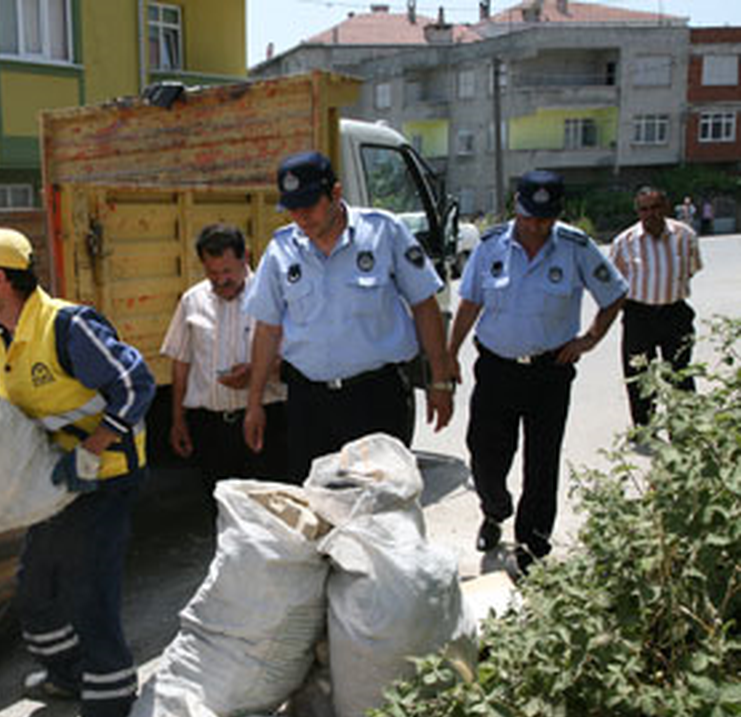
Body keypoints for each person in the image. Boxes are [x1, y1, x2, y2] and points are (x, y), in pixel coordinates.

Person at [0, 227, 155, 717]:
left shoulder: (66, 326)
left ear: (0, 279)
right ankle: (67, 676)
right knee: (35, 585)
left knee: (89, 593)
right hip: (60, 477)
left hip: (106, 476)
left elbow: (136, 384)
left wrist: (96, 444)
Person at [447, 170, 627, 575]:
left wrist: (589, 339)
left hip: (550, 372)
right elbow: (470, 302)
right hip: (495, 369)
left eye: (544, 219)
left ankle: (532, 546)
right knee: (485, 455)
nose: (536, 227)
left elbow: (614, 293)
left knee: (542, 462)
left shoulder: (575, 247)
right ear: (517, 207)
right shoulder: (492, 244)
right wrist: (449, 353)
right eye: (529, 217)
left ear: (557, 214)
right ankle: (495, 510)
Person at [242, 150, 456, 483]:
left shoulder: (384, 233)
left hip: (375, 397)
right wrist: (253, 402)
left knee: (380, 507)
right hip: (309, 401)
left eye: (309, 206)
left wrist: (439, 380)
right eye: (293, 209)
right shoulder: (281, 250)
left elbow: (424, 306)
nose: (301, 217)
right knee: (317, 505)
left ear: (336, 194)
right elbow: (267, 329)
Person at [160, 223, 288, 513]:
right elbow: (181, 364)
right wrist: (178, 419)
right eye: (213, 273)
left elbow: (296, 362)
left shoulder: (272, 297)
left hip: (266, 423)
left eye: (228, 271)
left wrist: (258, 372)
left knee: (271, 514)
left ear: (246, 258)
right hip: (211, 429)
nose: (221, 281)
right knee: (222, 513)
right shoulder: (192, 300)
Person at [609, 186, 701, 430]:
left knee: (679, 373)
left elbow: (690, 269)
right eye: (644, 209)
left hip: (675, 314)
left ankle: (682, 428)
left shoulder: (685, 236)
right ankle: (644, 428)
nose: (650, 214)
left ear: (666, 207)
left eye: (655, 207)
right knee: (639, 375)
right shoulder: (624, 242)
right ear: (638, 212)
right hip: (639, 316)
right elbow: (615, 282)